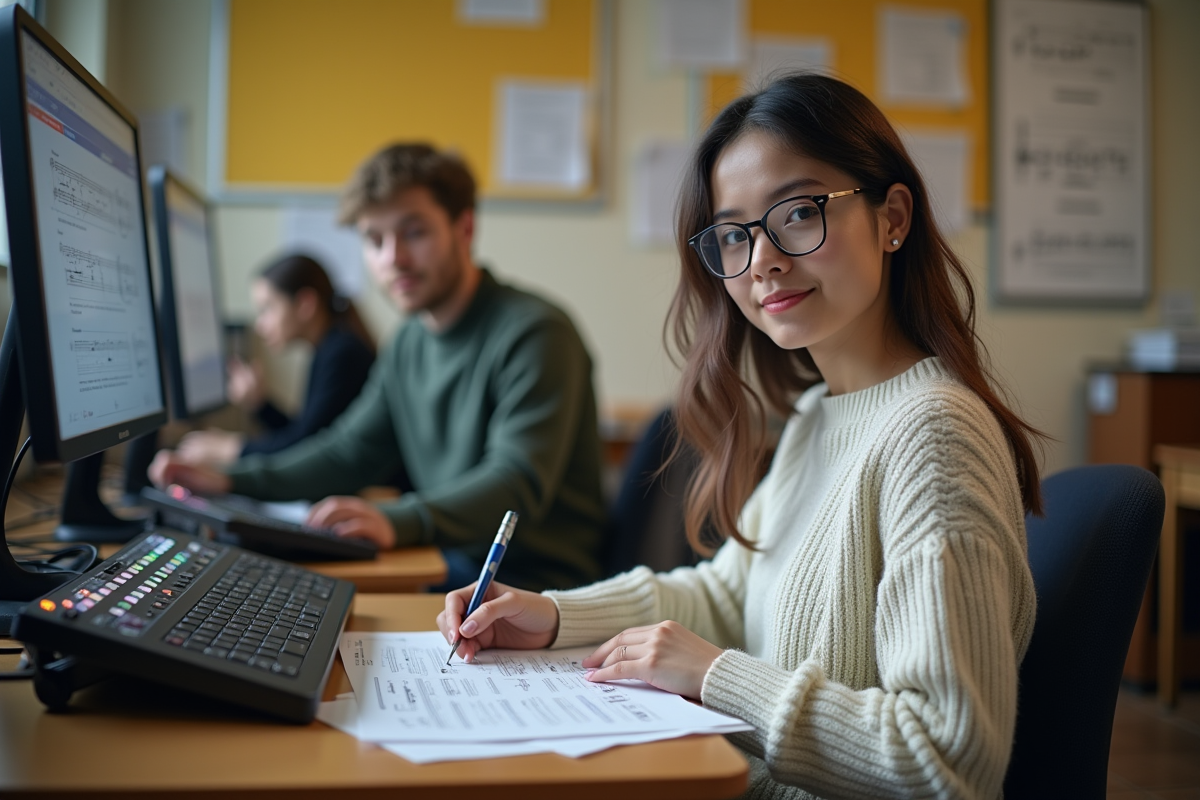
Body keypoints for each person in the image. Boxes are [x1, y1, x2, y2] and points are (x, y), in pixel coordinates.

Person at [436, 73, 1042, 799]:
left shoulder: (934, 437)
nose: (763, 260)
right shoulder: (819, 415)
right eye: (734, 234)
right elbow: (725, 597)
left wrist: (716, 676)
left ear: (893, 218)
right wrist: (555, 615)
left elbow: (947, 760)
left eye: (797, 212)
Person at [152, 143, 606, 593]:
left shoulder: (536, 332)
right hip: (450, 563)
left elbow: (515, 484)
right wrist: (232, 479)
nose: (393, 258)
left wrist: (399, 519)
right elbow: (347, 451)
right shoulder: (409, 341)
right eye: (374, 239)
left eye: (414, 233)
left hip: (534, 588)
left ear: (464, 228)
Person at [175, 253, 376, 465]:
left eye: (267, 309)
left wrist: (229, 447)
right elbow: (304, 432)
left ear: (305, 305)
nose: (260, 325)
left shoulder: (342, 355)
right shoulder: (330, 348)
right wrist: (259, 404)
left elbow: (304, 446)